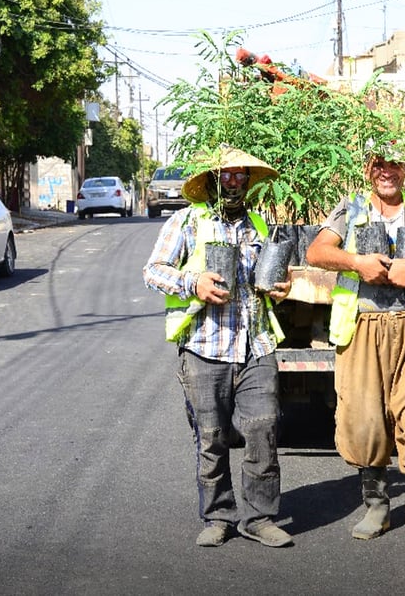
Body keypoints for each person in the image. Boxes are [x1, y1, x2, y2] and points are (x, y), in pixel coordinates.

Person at [305, 141, 405, 563]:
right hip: (362, 332)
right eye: (379, 164)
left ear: (404, 169)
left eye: (394, 164)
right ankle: (377, 507)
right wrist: (357, 262)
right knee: (364, 422)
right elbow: (316, 251)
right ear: (368, 169)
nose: (387, 172)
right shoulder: (352, 208)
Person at [142, 145, 294, 548]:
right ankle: (218, 515)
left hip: (255, 343)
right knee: (211, 436)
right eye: (226, 175)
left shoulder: (260, 227)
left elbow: (273, 282)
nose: (234, 181)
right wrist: (195, 284)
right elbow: (152, 271)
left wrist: (282, 288)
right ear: (212, 180)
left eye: (241, 175)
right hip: (204, 347)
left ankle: (260, 517)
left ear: (248, 182)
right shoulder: (187, 222)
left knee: (263, 429)